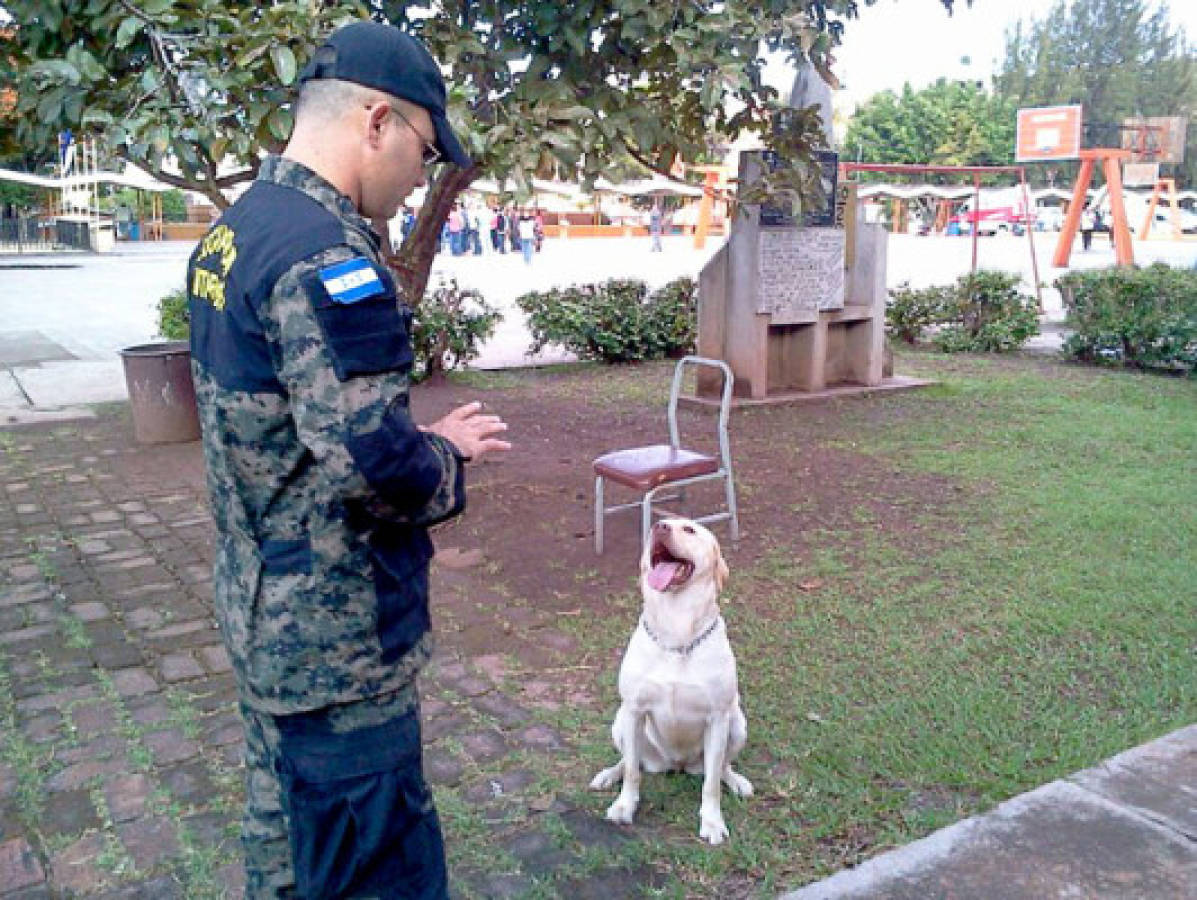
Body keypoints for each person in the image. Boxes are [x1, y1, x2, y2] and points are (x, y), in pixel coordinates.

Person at [185, 21, 510, 898]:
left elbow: (287, 421)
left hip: (260, 611)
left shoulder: (238, 230)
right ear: (376, 122)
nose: (421, 178)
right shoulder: (326, 258)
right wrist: (445, 458)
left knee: (287, 848)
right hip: (335, 640)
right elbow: (373, 466)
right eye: (425, 149)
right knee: (373, 862)